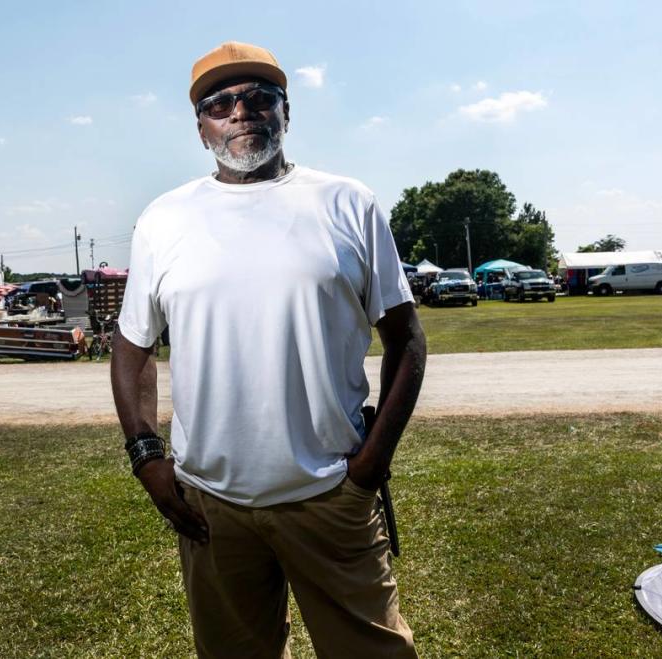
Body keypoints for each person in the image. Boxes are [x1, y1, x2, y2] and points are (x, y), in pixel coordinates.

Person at [111, 41, 427, 658]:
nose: (241, 112)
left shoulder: (347, 203)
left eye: (260, 97)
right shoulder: (163, 219)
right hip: (210, 507)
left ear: (287, 112)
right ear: (200, 126)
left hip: (330, 495)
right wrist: (146, 454)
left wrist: (370, 469)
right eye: (220, 102)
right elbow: (132, 346)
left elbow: (406, 340)